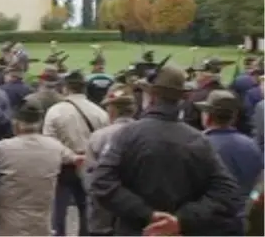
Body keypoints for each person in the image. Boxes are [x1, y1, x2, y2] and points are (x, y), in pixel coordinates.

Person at [91, 65, 243, 235]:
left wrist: (147, 214)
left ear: (152, 97)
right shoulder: (198, 140)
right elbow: (227, 192)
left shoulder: (126, 135)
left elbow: (101, 182)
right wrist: (181, 220)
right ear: (183, 98)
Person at [0, 99, 83, 236]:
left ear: (17, 124)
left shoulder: (2, 148)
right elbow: (74, 158)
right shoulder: (55, 147)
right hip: (41, 215)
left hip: (8, 217)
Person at [43, 70, 108, 237]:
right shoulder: (100, 112)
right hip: (90, 165)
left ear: (66, 88)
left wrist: (71, 156)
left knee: (58, 211)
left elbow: (49, 143)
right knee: (87, 209)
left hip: (63, 166)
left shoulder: (55, 111)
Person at [197, 89, 264, 225]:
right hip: (243, 218)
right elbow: (258, 185)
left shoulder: (198, 145)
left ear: (208, 116)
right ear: (233, 117)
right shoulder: (250, 145)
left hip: (210, 221)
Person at [84, 88, 137, 236]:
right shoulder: (147, 135)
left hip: (104, 213)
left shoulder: (99, 136)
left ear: (112, 111)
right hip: (136, 210)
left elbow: (89, 177)